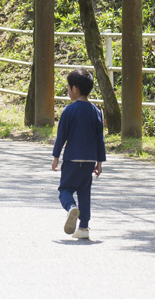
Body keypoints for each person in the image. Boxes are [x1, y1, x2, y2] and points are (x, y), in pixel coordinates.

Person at [51, 68, 105, 240]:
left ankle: (70, 208)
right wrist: (99, 162)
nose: (67, 91)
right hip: (89, 160)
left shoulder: (69, 111)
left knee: (65, 190)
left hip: (72, 158)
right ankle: (83, 227)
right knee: (84, 192)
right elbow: (100, 139)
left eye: (68, 87)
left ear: (75, 89)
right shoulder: (96, 111)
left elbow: (62, 136)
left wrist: (56, 157)